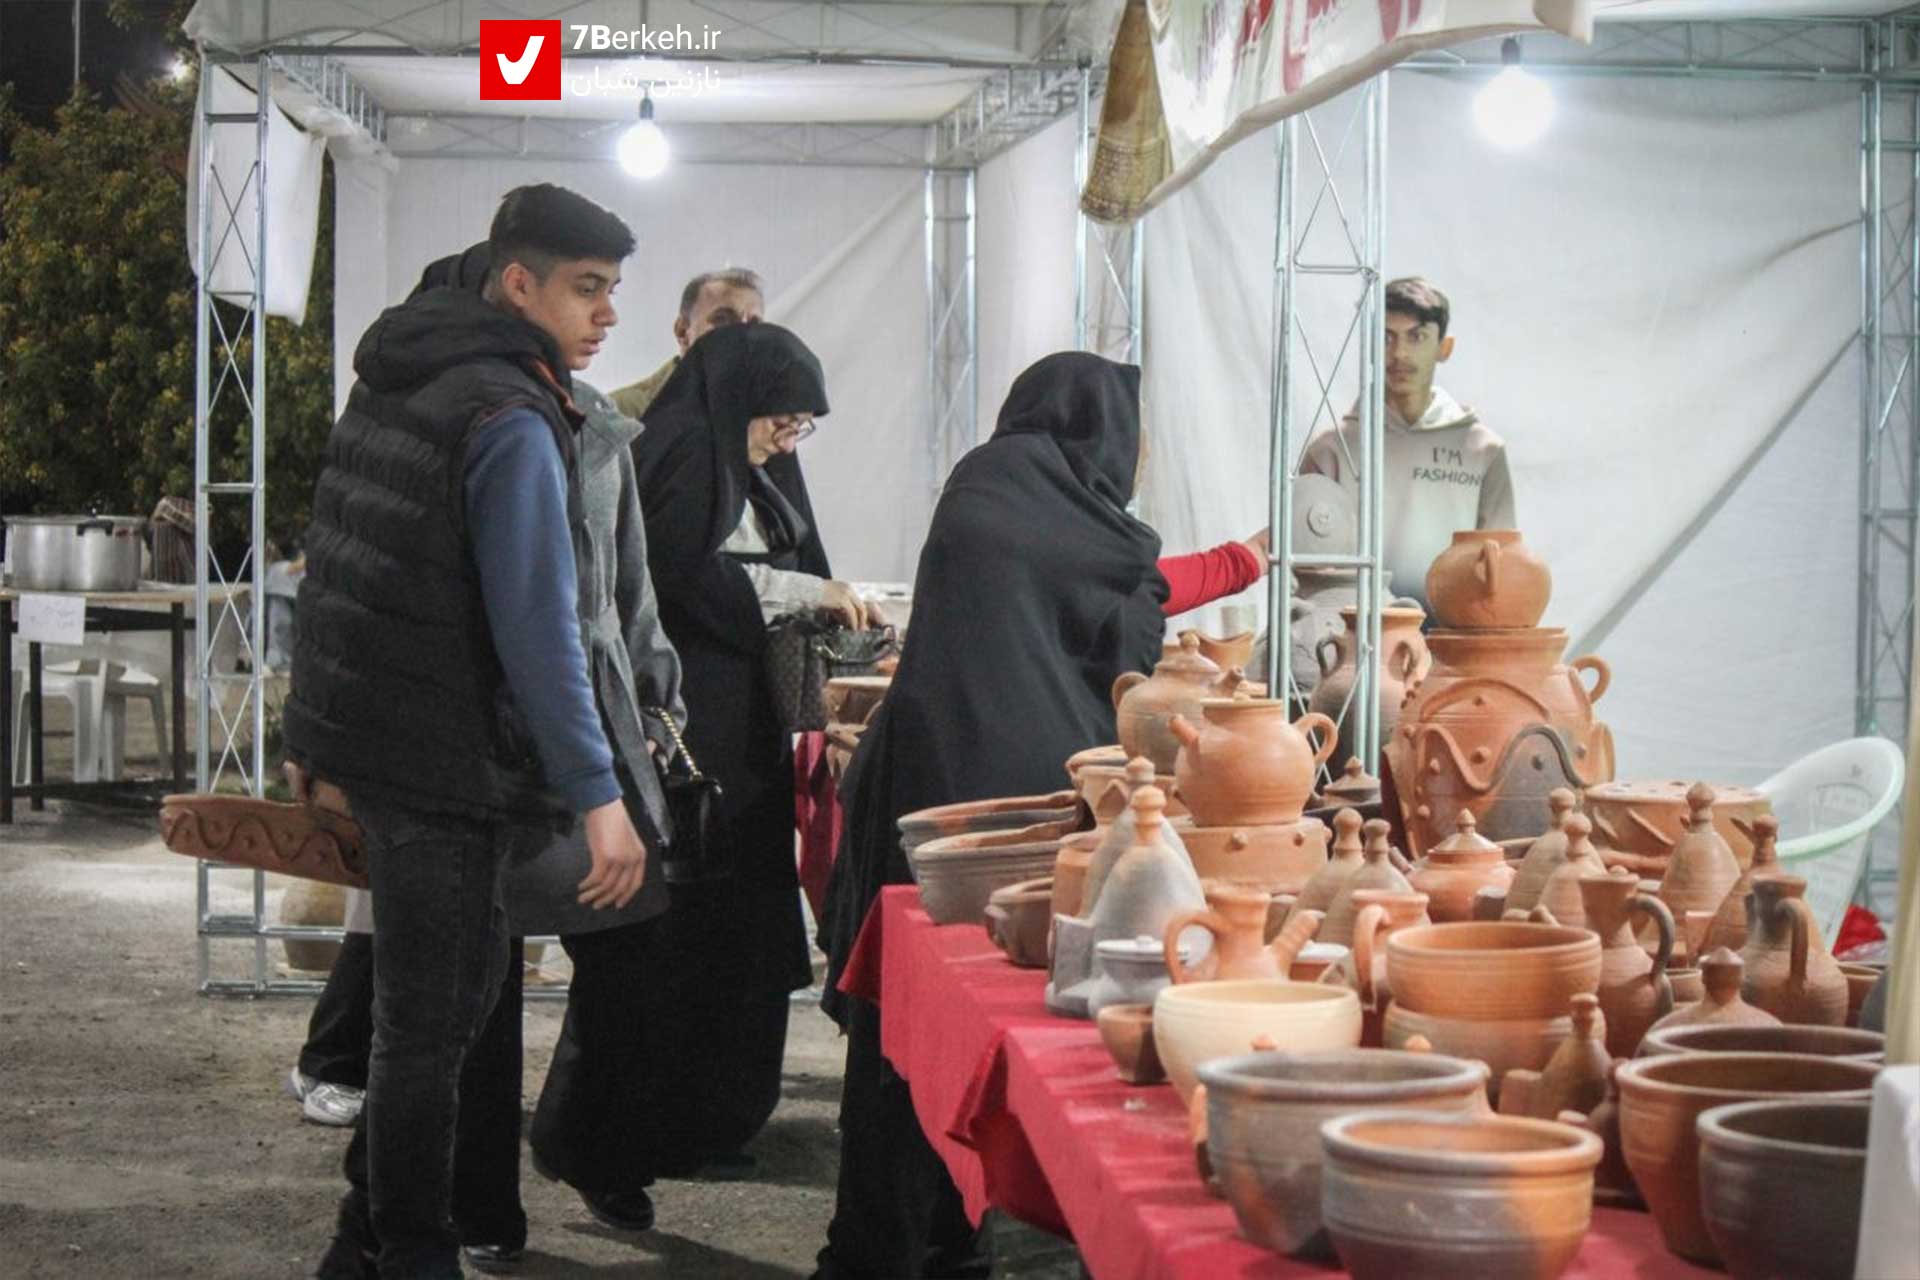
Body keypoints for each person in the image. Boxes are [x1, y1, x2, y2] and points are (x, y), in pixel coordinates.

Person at [811, 352, 1272, 1280]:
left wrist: (1233, 563)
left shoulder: (1009, 493)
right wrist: (1247, 559)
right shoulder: (1021, 500)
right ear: (1097, 426)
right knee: (927, 1041)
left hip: (944, 792)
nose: (1140, 457)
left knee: (929, 1037)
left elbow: (1120, 582)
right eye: (1135, 436)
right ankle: (897, 1251)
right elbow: (1136, 582)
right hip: (973, 820)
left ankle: (929, 1243)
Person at [284, 183, 652, 1280]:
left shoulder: (403, 372)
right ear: (517, 283)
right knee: (427, 1031)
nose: (607, 313)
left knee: (438, 1013)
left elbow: (337, 565)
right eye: (587, 287)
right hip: (446, 767)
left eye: (613, 289)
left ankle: (364, 1242)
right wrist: (599, 794)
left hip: (387, 743)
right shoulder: (508, 417)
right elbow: (541, 631)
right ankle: (408, 1251)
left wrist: (312, 730)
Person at [624, 320, 848, 1184]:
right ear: (738, 402)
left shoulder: (752, 463)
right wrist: (803, 590)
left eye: (801, 427)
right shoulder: (684, 457)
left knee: (744, 924)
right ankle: (674, 1121)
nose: (788, 440)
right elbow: (679, 574)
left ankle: (722, 1114)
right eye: (780, 421)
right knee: (697, 927)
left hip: (744, 730)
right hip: (694, 728)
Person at [1299, 276, 1514, 612]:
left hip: (1453, 638)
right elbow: (1306, 566)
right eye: (1386, 337)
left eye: (1417, 337)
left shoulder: (1483, 450)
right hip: (1353, 637)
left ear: (1444, 347)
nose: (1399, 353)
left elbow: (1502, 564)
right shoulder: (1330, 451)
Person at [609, 268, 766, 420]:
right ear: (683, 331)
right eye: (722, 319)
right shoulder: (619, 413)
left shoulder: (764, 414)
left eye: (754, 324)